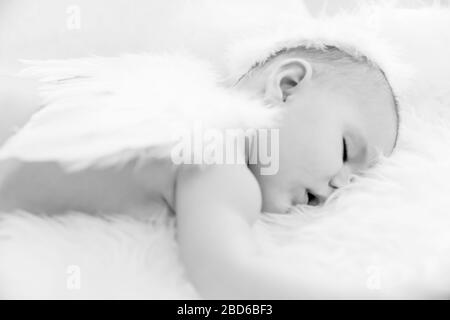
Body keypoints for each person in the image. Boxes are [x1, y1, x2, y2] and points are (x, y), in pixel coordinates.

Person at [0, 44, 398, 298]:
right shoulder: (221, 165)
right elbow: (226, 276)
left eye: (356, 181)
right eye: (347, 150)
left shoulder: (160, 99)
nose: (342, 184)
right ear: (288, 85)